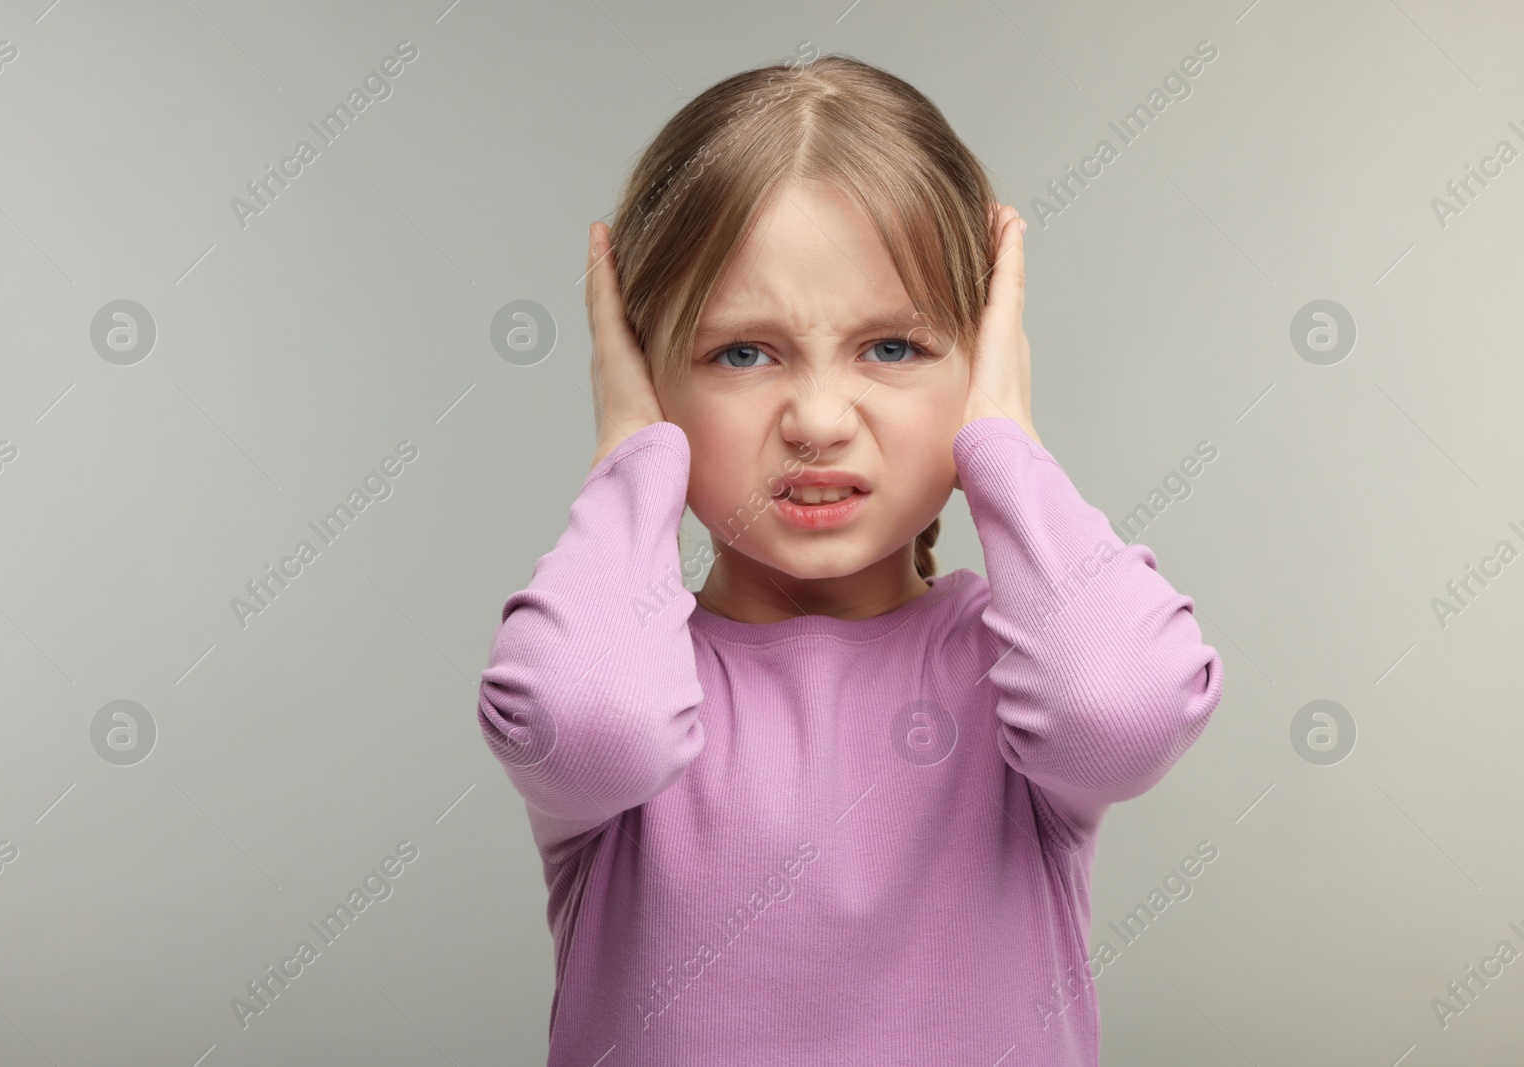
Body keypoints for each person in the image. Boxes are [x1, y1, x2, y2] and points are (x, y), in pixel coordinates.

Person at [478, 52, 1223, 1066]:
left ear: (980, 362)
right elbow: (580, 721)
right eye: (741, 352)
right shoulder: (641, 681)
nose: (819, 419)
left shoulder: (1012, 677)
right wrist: (629, 456)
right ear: (649, 380)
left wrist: (1002, 435)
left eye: (894, 348)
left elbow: (1121, 704)